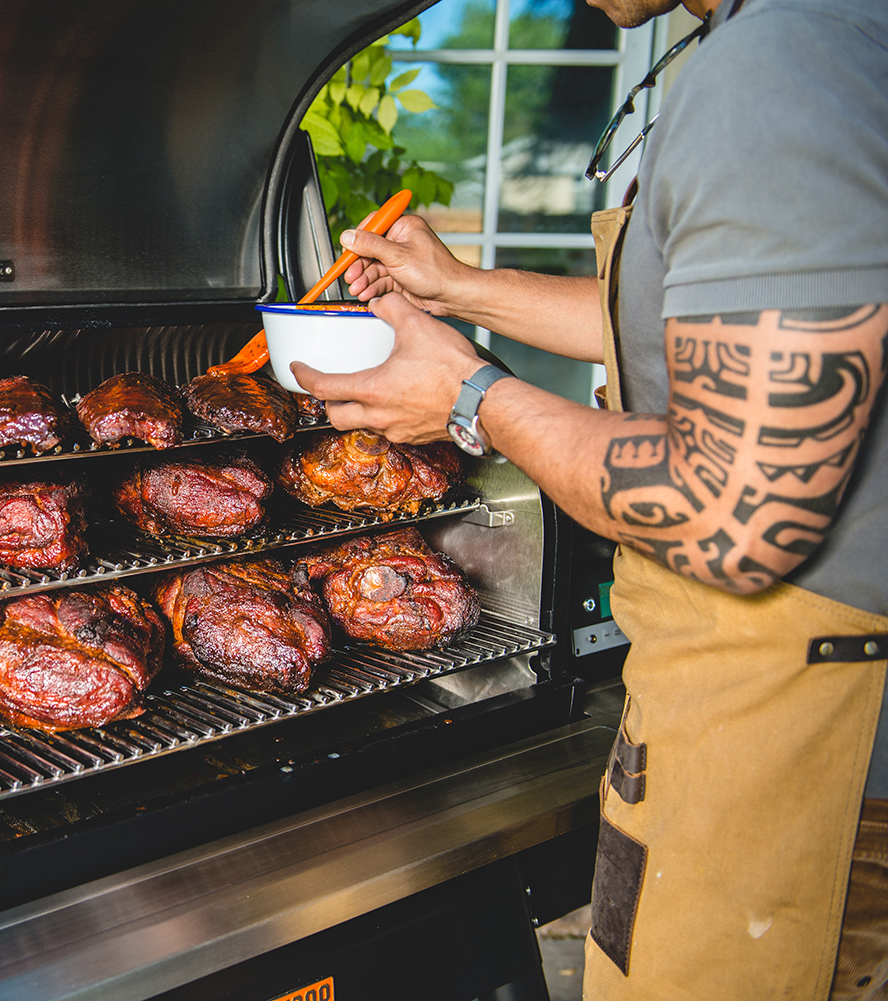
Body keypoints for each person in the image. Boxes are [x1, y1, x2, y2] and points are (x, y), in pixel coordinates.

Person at [290, 0, 888, 997]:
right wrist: (460, 289)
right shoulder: (820, 34)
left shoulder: (777, 64)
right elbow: (706, 321)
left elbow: (736, 509)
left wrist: (469, 395)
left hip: (809, 757)